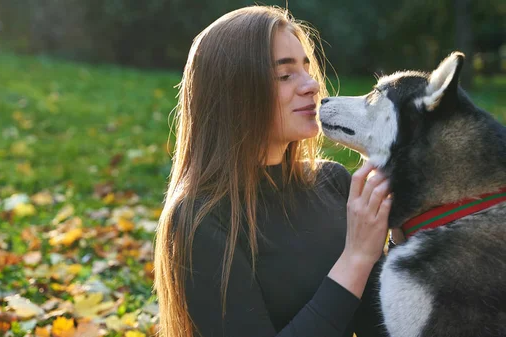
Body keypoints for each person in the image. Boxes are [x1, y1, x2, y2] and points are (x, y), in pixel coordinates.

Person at [153, 5, 392, 337]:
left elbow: (380, 327)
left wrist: (403, 240)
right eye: (285, 75)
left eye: (307, 69)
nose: (310, 85)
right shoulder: (200, 220)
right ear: (235, 95)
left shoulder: (334, 184)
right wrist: (356, 258)